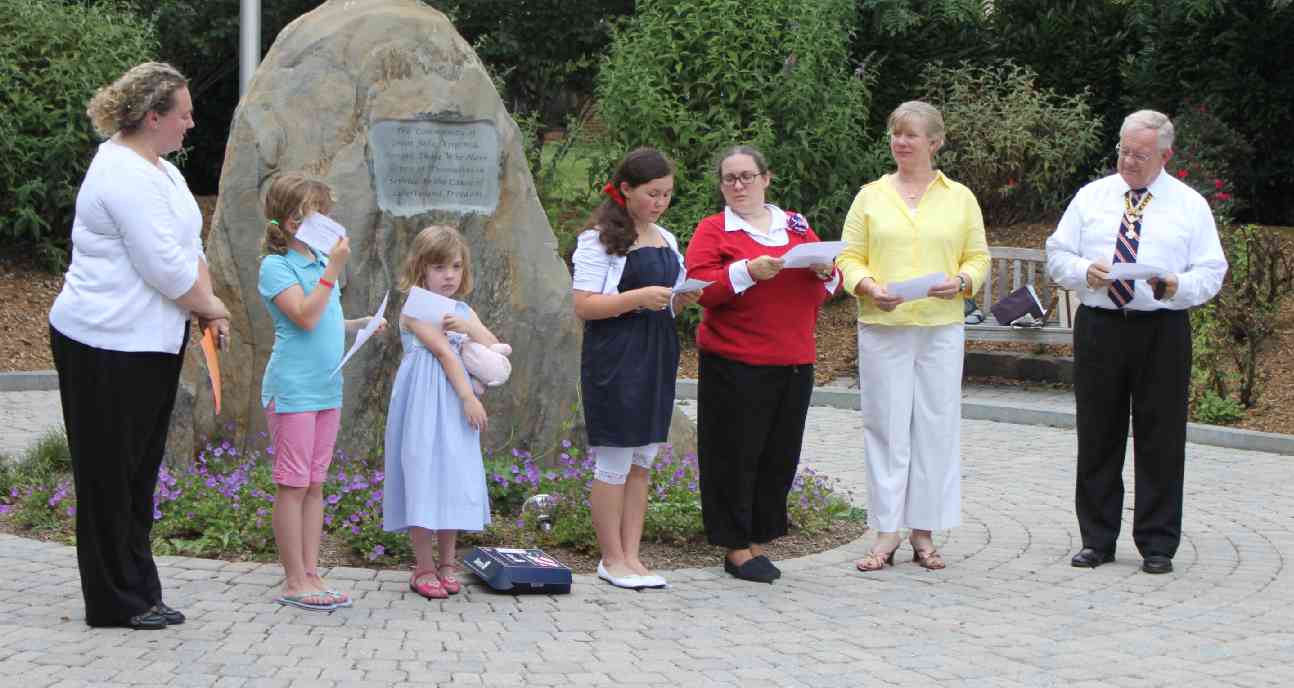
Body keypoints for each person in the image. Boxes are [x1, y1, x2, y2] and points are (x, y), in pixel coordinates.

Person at [48, 62, 229, 629]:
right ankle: (112, 601)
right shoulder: (119, 173)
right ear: (153, 117)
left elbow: (190, 247)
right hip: (102, 345)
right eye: (184, 113)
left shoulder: (166, 175)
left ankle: (142, 590)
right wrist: (210, 306)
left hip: (149, 346)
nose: (191, 123)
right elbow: (164, 268)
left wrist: (207, 302)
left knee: (137, 474)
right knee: (107, 475)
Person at [1046, 110, 1226, 574]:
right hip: (1101, 325)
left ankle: (1158, 543)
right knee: (1098, 433)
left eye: (1140, 155)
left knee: (1160, 437)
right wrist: (1084, 271)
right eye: (1124, 151)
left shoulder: (1190, 206)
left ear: (1165, 155)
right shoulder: (1093, 197)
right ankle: (1097, 539)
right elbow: (1057, 254)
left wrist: (1174, 287)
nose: (1129, 161)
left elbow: (1211, 271)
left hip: (1161, 328)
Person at [837, 101, 989, 572]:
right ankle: (886, 531)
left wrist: (963, 283)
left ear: (935, 143)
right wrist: (865, 286)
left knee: (935, 427)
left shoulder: (960, 197)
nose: (901, 142)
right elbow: (848, 256)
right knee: (885, 426)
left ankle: (924, 530)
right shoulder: (870, 196)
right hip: (884, 327)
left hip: (940, 326)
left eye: (911, 135)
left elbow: (977, 258)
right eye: (895, 133)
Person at [684, 144, 838, 583]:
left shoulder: (795, 224)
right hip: (736, 361)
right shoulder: (714, 229)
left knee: (778, 455)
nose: (738, 185)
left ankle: (759, 540)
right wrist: (749, 272)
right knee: (734, 455)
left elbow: (830, 281)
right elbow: (700, 288)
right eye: (729, 179)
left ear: (766, 179)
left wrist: (828, 272)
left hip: (794, 358)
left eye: (747, 176)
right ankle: (735, 547)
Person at [258, 173, 386, 611]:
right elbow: (305, 317)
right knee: (292, 485)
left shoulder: (315, 266)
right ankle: (294, 579)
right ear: (294, 222)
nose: (328, 222)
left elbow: (327, 321)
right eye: (319, 213)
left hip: (327, 389)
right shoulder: (277, 267)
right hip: (293, 392)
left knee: (314, 484)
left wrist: (359, 325)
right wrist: (333, 270)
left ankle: (311, 572)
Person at [572, 147, 698, 590]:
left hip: (657, 353)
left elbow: (668, 297)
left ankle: (632, 555)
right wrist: (637, 298)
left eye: (666, 194)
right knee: (615, 461)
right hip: (616, 357)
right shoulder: (599, 239)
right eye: (652, 193)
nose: (660, 202)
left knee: (643, 461)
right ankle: (610, 558)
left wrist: (680, 298)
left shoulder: (666, 237)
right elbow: (584, 305)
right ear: (625, 189)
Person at [383, 225, 501, 599]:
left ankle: (449, 562)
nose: (449, 275)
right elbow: (445, 353)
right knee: (422, 472)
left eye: (455, 266)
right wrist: (469, 397)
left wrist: (468, 326)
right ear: (420, 269)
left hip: (452, 403)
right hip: (424, 400)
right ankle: (423, 566)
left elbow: (495, 345)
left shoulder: (463, 310)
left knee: (453, 474)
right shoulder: (416, 307)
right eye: (438, 267)